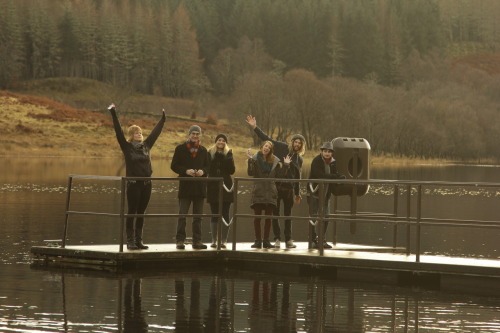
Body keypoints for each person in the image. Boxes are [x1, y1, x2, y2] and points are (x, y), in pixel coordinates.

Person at [108, 103, 165, 250]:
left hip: (146, 184)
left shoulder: (146, 146)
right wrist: (114, 113)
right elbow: (118, 131)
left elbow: (155, 133)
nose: (139, 134)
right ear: (131, 136)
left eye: (140, 132)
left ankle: (139, 240)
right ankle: (130, 241)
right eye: (136, 133)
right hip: (133, 184)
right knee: (132, 211)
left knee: (141, 213)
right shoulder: (127, 147)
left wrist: (163, 119)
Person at [245, 115, 305, 249]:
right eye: (296, 142)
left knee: (288, 215)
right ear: (292, 142)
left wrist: (297, 193)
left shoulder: (299, 159)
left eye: (300, 143)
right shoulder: (282, 147)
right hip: (277, 187)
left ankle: (288, 239)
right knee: (275, 214)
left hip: (289, 189)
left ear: (301, 146)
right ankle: (277, 238)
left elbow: (298, 177)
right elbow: (266, 139)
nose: (297, 144)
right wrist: (255, 127)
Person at [171, 125, 210, 249]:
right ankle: (180, 241)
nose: (195, 136)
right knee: (182, 215)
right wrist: (185, 171)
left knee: (198, 217)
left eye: (197, 134)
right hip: (185, 187)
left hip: (199, 187)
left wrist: (203, 172)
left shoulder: (204, 151)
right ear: (189, 135)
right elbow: (174, 166)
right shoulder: (180, 149)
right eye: (193, 133)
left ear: (200, 136)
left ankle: (197, 241)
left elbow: (208, 167)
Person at [247, 141, 290, 249]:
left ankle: (266, 241)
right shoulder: (255, 159)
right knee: (257, 218)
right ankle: (257, 241)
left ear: (271, 150)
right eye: (265, 146)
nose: (267, 148)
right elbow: (251, 173)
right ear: (261, 147)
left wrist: (285, 165)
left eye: (269, 147)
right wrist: (250, 161)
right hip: (259, 191)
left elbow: (279, 176)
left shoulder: (274, 161)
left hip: (270, 192)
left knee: (268, 218)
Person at [307, 141, 346, 249]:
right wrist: (335, 177)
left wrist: (341, 177)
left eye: (329, 151)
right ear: (322, 152)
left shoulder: (333, 162)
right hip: (314, 192)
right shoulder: (316, 160)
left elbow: (335, 174)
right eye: (325, 151)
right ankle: (312, 240)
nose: (327, 153)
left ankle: (322, 240)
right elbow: (319, 175)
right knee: (313, 217)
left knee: (326, 217)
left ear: (332, 153)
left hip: (326, 194)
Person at [207, 134, 235, 249]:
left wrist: (228, 159)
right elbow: (208, 168)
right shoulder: (209, 153)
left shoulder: (229, 153)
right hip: (213, 185)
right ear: (216, 141)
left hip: (226, 186)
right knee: (214, 212)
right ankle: (214, 240)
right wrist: (216, 158)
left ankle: (224, 240)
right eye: (219, 140)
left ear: (226, 143)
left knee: (225, 213)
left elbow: (232, 171)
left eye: (223, 141)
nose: (221, 142)